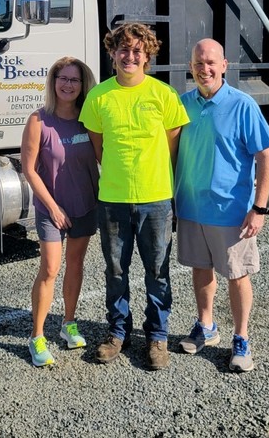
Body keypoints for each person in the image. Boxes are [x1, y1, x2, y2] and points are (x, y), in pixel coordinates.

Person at [79, 22, 189, 371]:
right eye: (123, 49)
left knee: (157, 271)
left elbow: (173, 144)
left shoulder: (163, 94)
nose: (129, 56)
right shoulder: (99, 97)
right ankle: (117, 333)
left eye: (137, 51)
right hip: (113, 198)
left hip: (156, 198)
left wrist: (159, 183)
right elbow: (98, 148)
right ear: (112, 53)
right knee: (115, 271)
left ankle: (157, 335)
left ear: (147, 56)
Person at [174, 38, 269, 372]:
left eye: (211, 63)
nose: (205, 69)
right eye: (198, 63)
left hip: (231, 212)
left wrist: (258, 208)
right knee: (200, 268)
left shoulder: (242, 105)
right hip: (191, 208)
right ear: (191, 67)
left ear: (224, 65)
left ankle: (241, 338)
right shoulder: (182, 104)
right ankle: (206, 326)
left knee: (237, 274)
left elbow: (266, 157)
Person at [21, 56, 99, 367]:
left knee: (76, 264)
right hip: (51, 208)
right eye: (62, 78)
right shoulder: (38, 120)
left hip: (84, 205)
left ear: (83, 86)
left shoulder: (88, 120)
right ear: (54, 82)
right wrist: (53, 208)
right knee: (50, 269)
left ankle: (69, 324)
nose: (68, 84)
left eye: (74, 80)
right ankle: (37, 336)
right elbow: (29, 169)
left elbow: (104, 156)